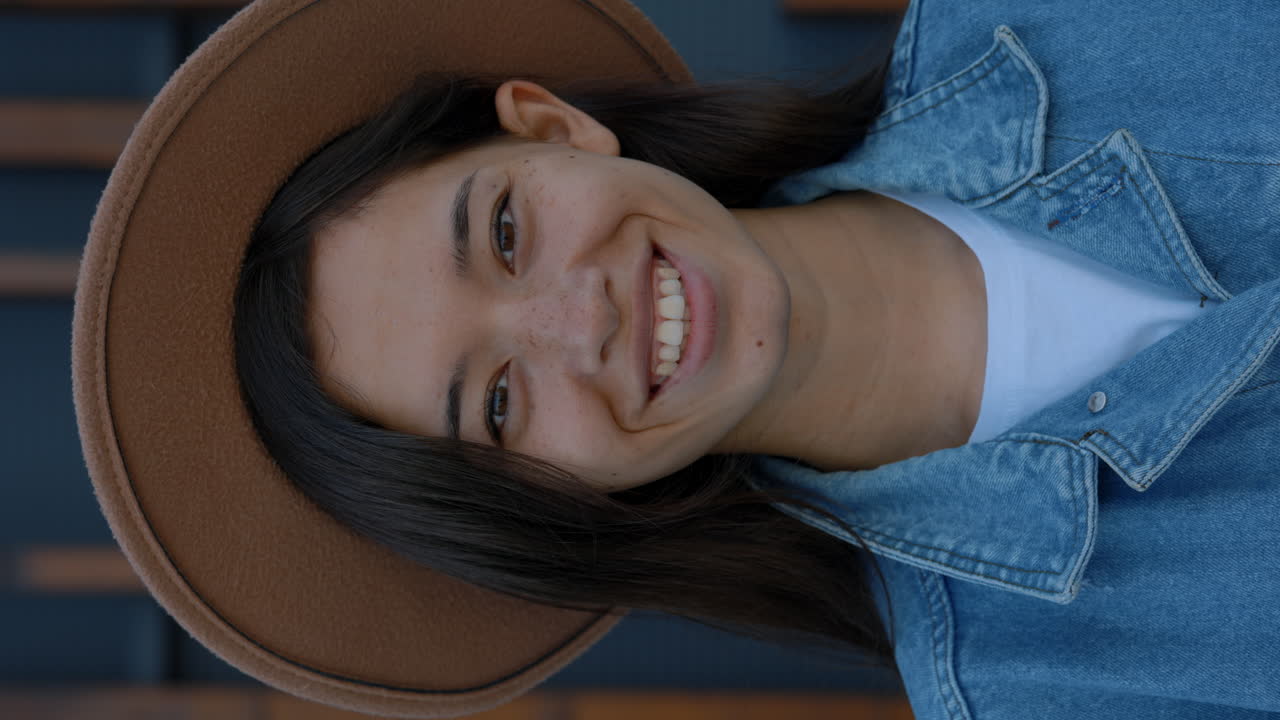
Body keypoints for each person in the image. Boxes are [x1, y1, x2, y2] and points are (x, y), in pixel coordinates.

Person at [71, 1, 1280, 719]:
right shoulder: (1047, 687)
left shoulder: (1076, 14)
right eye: (498, 405)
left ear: (552, 126)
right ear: (552, 502)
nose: (576, 321)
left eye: (504, 233)